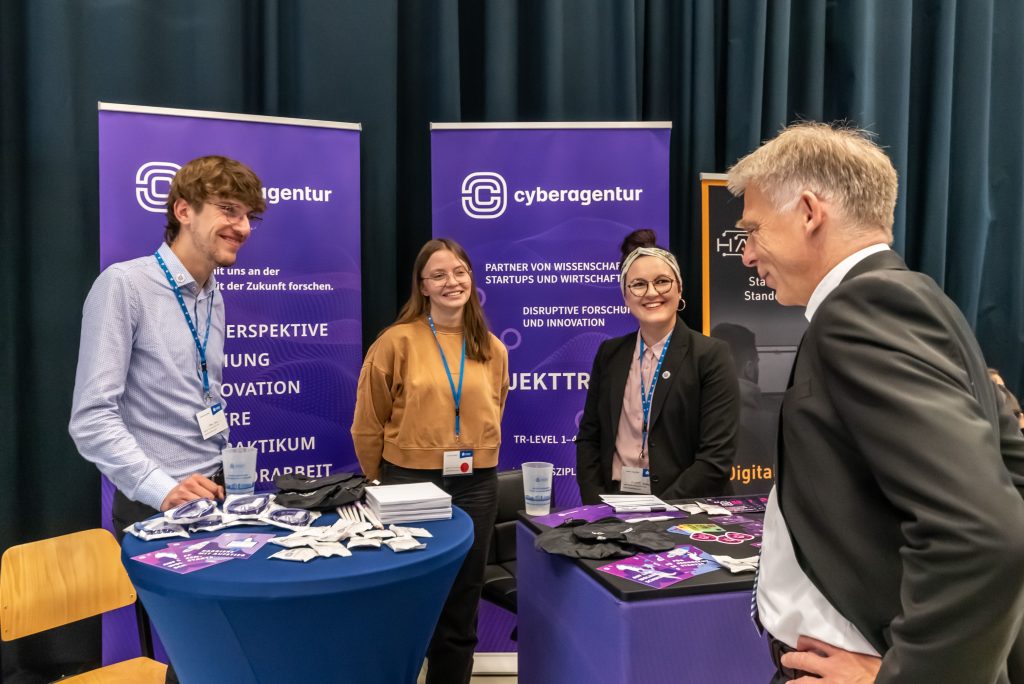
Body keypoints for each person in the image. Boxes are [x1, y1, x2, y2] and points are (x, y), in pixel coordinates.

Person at [727, 122, 1024, 683]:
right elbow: (1012, 474)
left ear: (810, 212)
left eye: (754, 231)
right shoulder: (915, 298)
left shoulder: (863, 309)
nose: (745, 255)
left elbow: (984, 533)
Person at [69, 155, 265, 683]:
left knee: (223, 652)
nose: (242, 227)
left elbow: (203, 394)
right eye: (228, 209)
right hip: (160, 507)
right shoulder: (125, 286)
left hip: (217, 491)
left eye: (249, 216)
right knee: (197, 653)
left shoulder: (212, 294)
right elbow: (90, 418)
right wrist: (164, 487)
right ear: (183, 209)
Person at [351, 238, 508, 684]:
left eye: (459, 272)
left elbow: (496, 409)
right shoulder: (396, 341)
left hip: (477, 485)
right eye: (438, 275)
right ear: (422, 286)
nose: (451, 282)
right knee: (406, 592)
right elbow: (367, 424)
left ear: (471, 278)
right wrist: (379, 482)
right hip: (409, 481)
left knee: (463, 597)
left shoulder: (492, 348)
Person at [575, 229, 740, 503]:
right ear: (625, 297)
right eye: (638, 284)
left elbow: (715, 458)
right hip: (616, 502)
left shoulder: (711, 355)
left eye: (662, 281)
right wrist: (596, 503)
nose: (651, 293)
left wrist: (660, 510)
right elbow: (589, 438)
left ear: (679, 288)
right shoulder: (609, 354)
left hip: (685, 507)